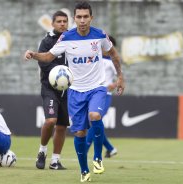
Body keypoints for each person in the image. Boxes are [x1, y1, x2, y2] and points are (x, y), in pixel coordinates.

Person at [24, 1, 125, 182]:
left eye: (86, 16)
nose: (82, 20)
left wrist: (120, 78)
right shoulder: (67, 38)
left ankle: (97, 157)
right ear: (75, 19)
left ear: (91, 18)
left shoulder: (100, 35)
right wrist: (34, 54)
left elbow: (114, 55)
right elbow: (48, 56)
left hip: (97, 87)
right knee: (79, 133)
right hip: (76, 91)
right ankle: (84, 171)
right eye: (79, 17)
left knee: (95, 115)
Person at [35, 10, 69, 170]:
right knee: (50, 121)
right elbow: (44, 63)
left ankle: (55, 161)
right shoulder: (47, 42)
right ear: (53, 24)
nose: (62, 24)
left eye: (65, 21)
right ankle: (42, 151)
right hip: (50, 89)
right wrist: (62, 72)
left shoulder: (72, 39)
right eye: (59, 21)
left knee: (62, 126)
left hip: (68, 91)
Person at [86, 36, 118, 158]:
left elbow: (120, 78)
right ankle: (110, 148)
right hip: (92, 94)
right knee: (95, 123)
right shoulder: (95, 59)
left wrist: (113, 85)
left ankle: (85, 148)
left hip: (105, 95)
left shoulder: (112, 61)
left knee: (94, 121)